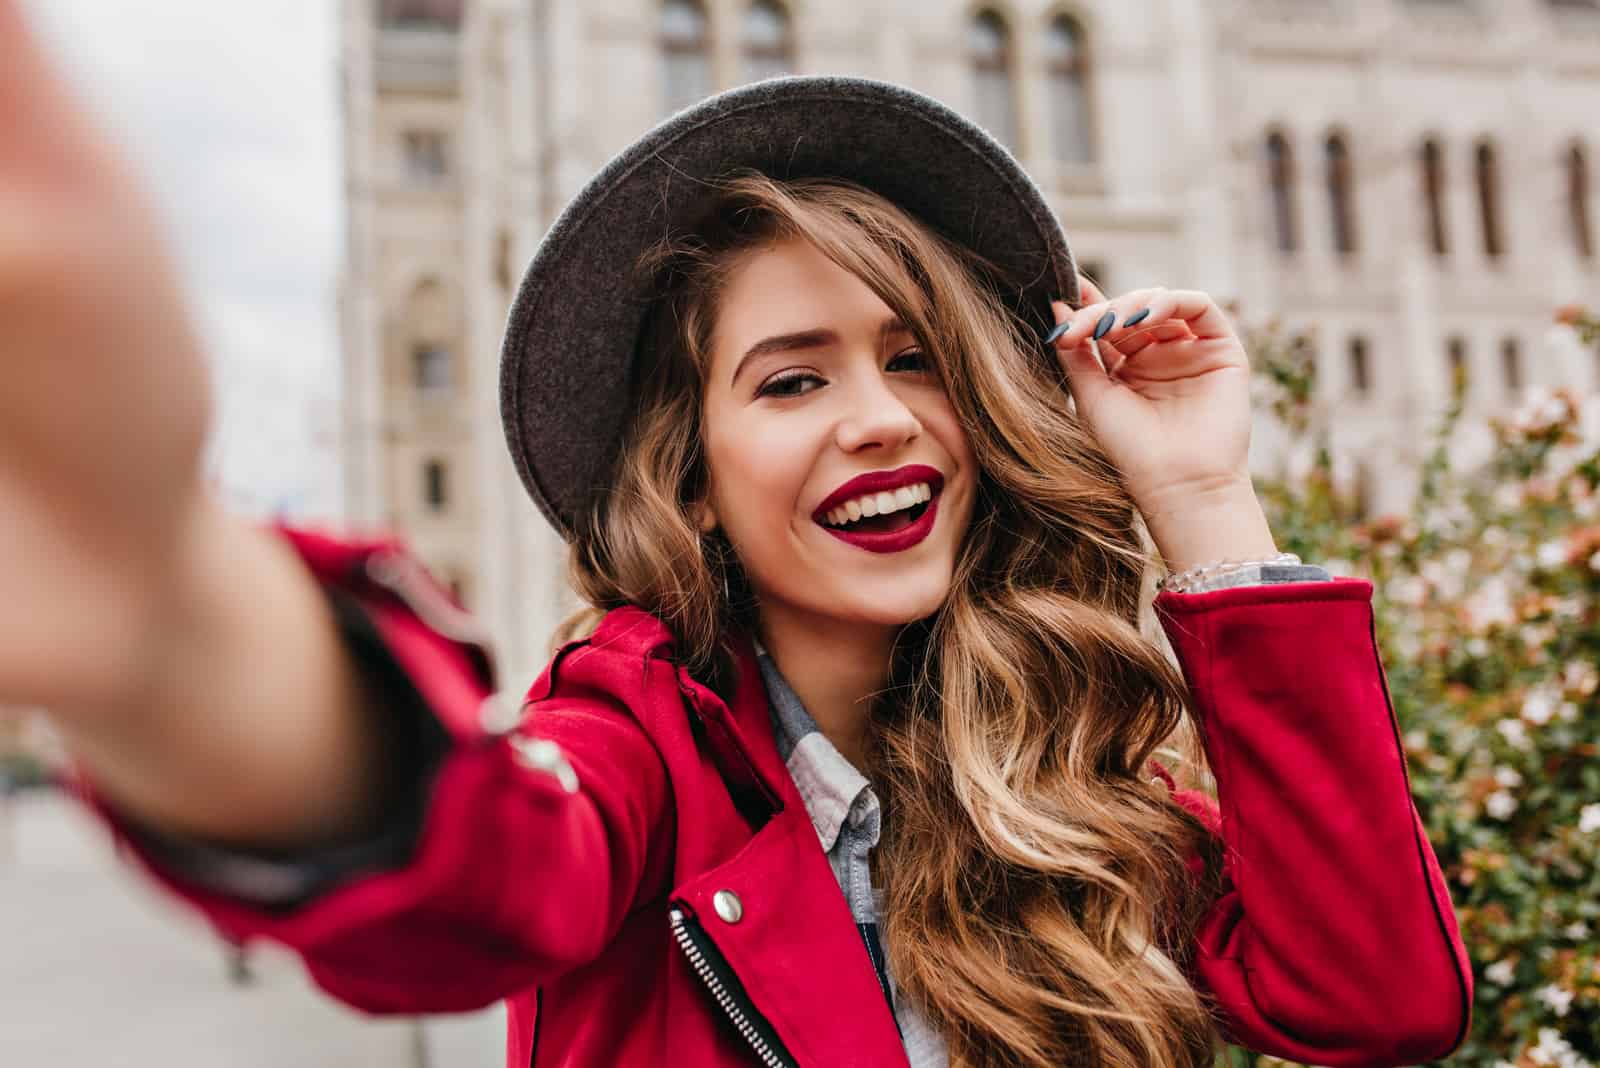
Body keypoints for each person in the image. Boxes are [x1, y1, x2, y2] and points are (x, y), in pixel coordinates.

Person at [1, 4, 1470, 1066]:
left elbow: (1376, 997)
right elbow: (478, 875)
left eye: (916, 359)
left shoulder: (1061, 767)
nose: (884, 416)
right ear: (691, 476)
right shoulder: (637, 756)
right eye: (792, 379)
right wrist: (163, 625)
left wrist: (1205, 506)